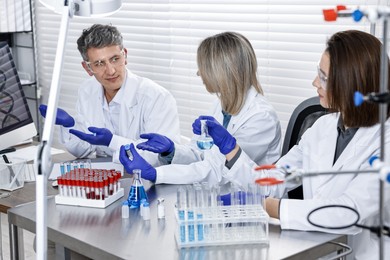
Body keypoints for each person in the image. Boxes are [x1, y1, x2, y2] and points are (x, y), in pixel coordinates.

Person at [200, 30, 390, 259]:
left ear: (353, 85)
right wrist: (231, 150)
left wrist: (268, 207)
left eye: (324, 77)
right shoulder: (322, 127)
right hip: (317, 248)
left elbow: (349, 212)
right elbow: (275, 180)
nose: (314, 83)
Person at [119, 32, 282, 189]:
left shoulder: (261, 117)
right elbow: (201, 154)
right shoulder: (222, 104)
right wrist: (171, 151)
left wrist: (157, 174)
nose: (198, 73)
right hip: (221, 195)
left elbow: (218, 171)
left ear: (220, 72)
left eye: (203, 67)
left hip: (254, 202)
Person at [39, 24, 180, 165]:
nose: (111, 71)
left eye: (115, 59)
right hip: (108, 178)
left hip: (145, 180)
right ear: (87, 68)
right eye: (99, 63)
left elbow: (157, 158)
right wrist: (70, 126)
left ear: (125, 56)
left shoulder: (156, 98)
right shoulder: (87, 90)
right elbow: (84, 150)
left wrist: (112, 141)